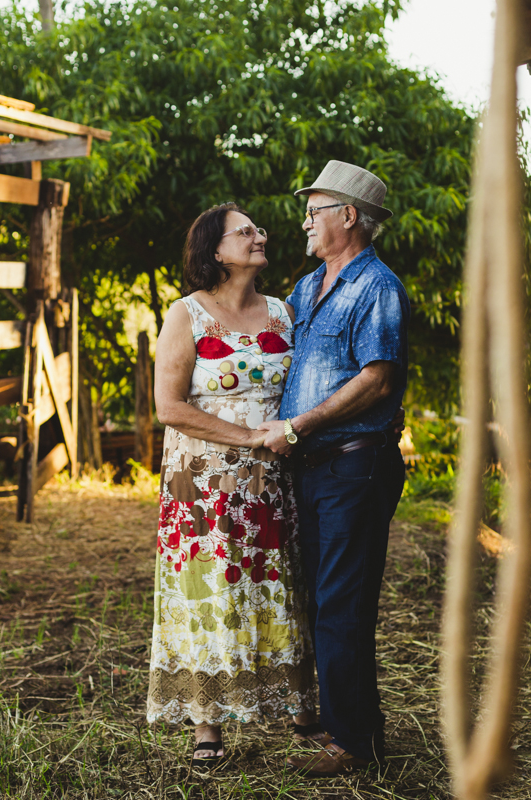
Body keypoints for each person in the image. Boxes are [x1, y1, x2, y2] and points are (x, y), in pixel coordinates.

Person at [147, 202, 326, 767]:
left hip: (271, 481)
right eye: (244, 232)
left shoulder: (284, 312)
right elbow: (169, 406)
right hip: (202, 485)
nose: (258, 236)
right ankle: (207, 724)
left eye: (258, 229)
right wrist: (248, 437)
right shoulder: (186, 314)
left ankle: (300, 707)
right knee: (208, 589)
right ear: (215, 250)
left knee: (280, 585)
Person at [257, 161, 410, 777]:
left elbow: (378, 380)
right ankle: (345, 724)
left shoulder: (379, 287)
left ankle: (353, 742)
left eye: (313, 211)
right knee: (322, 599)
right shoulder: (305, 287)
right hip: (312, 468)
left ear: (349, 216)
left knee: (342, 602)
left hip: (354, 465)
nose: (304, 223)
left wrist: (298, 425)